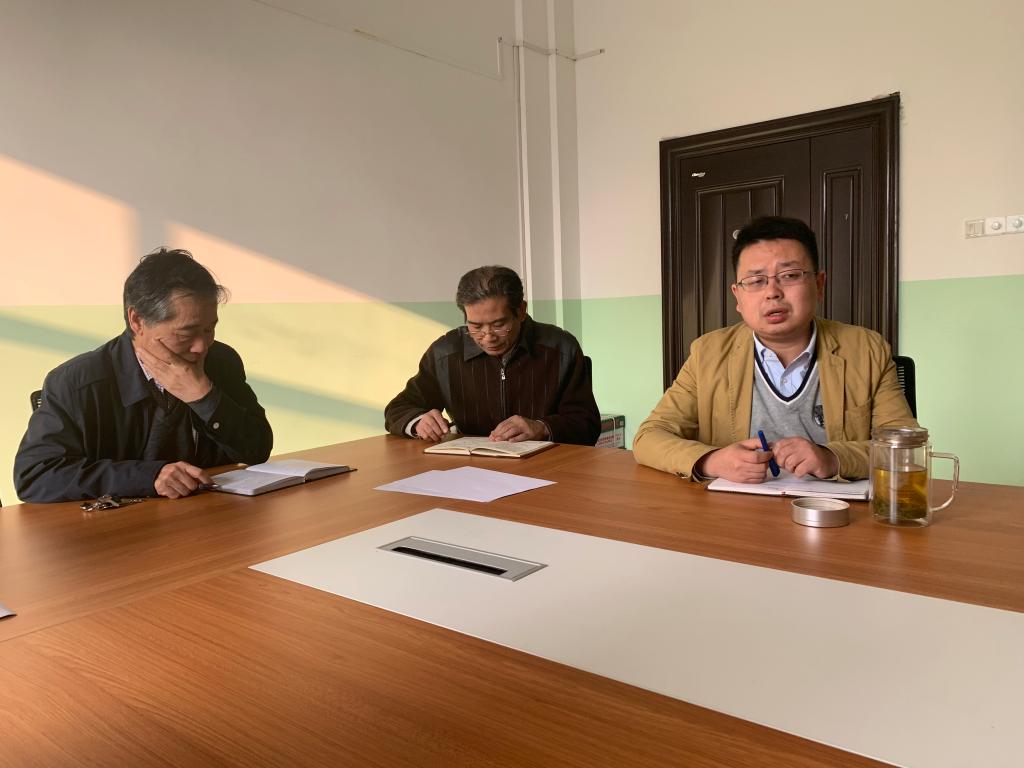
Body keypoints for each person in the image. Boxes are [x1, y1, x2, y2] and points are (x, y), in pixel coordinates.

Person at [633, 216, 915, 482]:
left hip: (833, 510)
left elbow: (905, 447)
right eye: (756, 281)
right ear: (738, 297)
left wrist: (833, 458)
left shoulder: (867, 350)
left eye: (789, 275)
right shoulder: (708, 353)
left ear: (819, 285)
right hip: (735, 510)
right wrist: (711, 460)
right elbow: (649, 437)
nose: (772, 292)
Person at [14, 249, 273, 503]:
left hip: (208, 517)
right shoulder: (77, 382)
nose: (201, 347)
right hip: (119, 526)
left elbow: (257, 451)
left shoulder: (221, 362)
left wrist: (205, 397)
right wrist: (149, 477)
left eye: (209, 329)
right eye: (186, 333)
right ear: (137, 321)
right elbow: (35, 476)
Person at [385, 265, 601, 445]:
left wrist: (541, 427)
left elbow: (587, 424)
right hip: (470, 468)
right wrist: (418, 421)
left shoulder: (561, 348)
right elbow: (398, 408)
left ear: (521, 311)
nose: (488, 337)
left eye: (499, 325)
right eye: (475, 326)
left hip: (548, 467)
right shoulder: (445, 353)